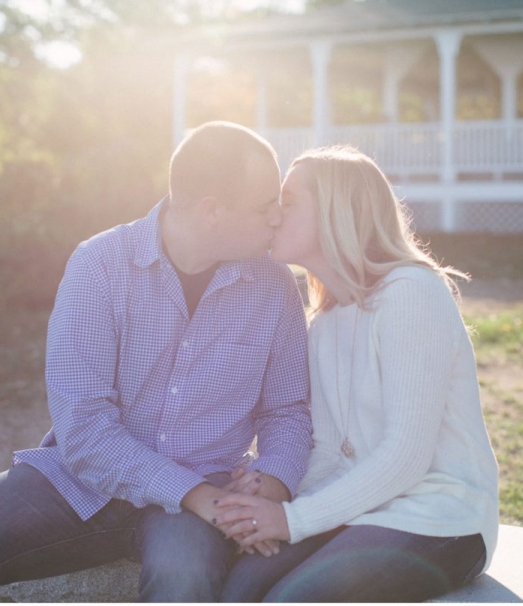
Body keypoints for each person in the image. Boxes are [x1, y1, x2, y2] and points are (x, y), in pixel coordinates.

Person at [0, 121, 313, 602]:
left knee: (184, 577)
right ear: (212, 211)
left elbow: (286, 411)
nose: (277, 219)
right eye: (266, 208)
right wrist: (200, 497)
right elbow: (84, 427)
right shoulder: (98, 265)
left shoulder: (275, 286)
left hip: (206, 489)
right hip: (86, 484)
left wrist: (272, 484)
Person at [214, 145, 499, 602]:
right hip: (367, 512)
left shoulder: (412, 294)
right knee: (240, 587)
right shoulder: (324, 322)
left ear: (336, 212)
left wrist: (292, 521)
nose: (273, 215)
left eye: (288, 202)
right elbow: (329, 452)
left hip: (441, 517)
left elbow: (406, 455)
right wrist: (267, 499)